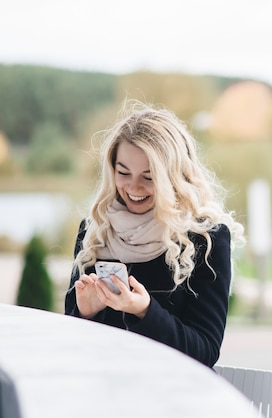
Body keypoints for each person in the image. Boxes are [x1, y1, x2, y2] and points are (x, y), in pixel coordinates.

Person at [65, 101, 244, 368]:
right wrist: (85, 312)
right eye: (123, 172)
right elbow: (73, 342)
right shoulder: (93, 231)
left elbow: (205, 351)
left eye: (149, 177)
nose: (133, 187)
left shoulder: (206, 238)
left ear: (174, 176)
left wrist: (144, 311)